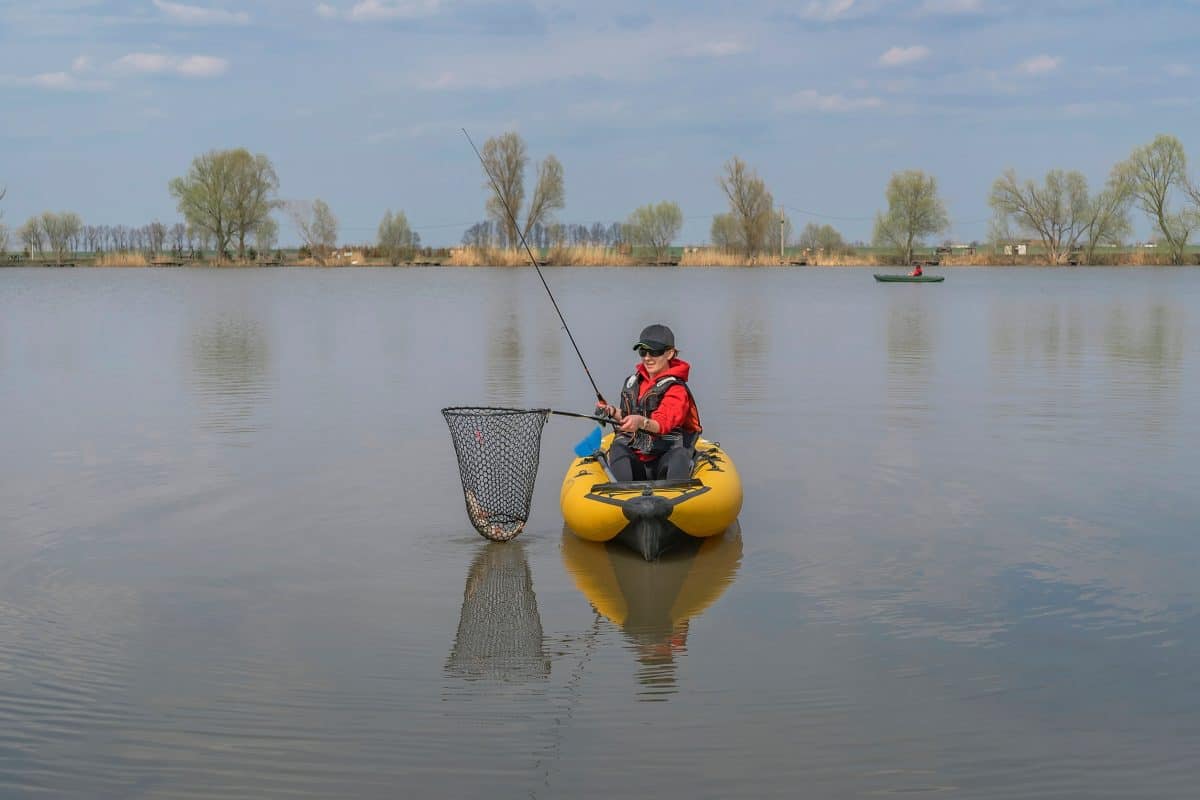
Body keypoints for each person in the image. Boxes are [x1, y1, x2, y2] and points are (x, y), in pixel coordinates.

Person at [596, 324, 702, 482]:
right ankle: (622, 496)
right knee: (618, 447)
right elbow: (628, 416)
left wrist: (641, 422)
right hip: (636, 459)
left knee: (679, 456)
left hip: (664, 459)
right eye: (643, 352)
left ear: (670, 353)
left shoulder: (677, 390)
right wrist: (611, 411)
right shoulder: (634, 382)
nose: (647, 357)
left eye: (655, 352)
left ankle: (676, 496)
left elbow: (663, 423)